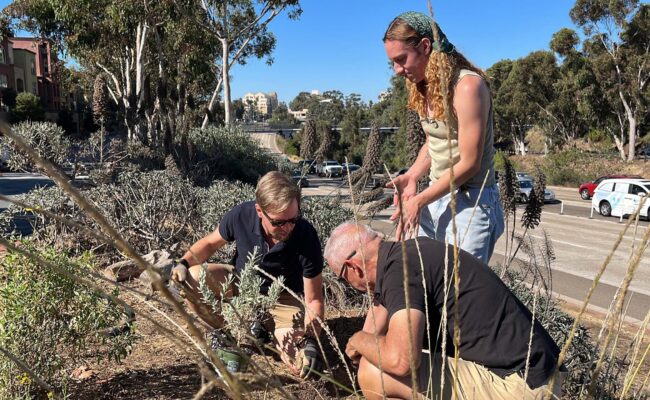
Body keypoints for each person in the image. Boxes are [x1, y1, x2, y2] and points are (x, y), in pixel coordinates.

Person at [324, 221, 565, 399]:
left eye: (343, 280)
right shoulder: (410, 255)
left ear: (353, 267)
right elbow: (381, 309)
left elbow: (401, 361)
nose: (352, 287)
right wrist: (366, 342)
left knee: (373, 371)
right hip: (538, 374)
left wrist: (358, 340)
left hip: (519, 388)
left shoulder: (399, 273)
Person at [171, 171, 324, 378]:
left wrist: (310, 340)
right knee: (192, 277)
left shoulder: (306, 235)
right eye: (279, 222)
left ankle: (267, 332)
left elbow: (314, 299)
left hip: (284, 300)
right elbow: (209, 243)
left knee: (301, 362)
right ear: (260, 211)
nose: (287, 228)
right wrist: (183, 262)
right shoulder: (241, 215)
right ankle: (228, 336)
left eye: (293, 219)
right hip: (242, 286)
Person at [383, 11, 504, 263]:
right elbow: (434, 141)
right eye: (392, 62)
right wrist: (413, 175)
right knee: (421, 281)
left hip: (472, 203)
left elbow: (471, 163)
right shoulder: (424, 87)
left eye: (401, 59)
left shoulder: (468, 86)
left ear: (426, 46)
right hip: (436, 196)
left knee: (459, 295)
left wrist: (419, 201)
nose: (397, 70)